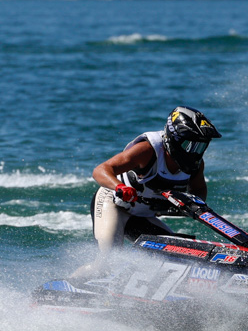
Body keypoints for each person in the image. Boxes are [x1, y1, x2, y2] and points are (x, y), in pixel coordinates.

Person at [72, 105, 221, 278]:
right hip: (113, 205)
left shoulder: (195, 165)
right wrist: (120, 187)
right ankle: (67, 286)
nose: (196, 153)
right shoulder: (147, 151)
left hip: (141, 215)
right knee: (107, 262)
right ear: (175, 139)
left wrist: (193, 203)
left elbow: (199, 189)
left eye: (201, 147)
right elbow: (101, 170)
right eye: (191, 145)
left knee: (176, 258)